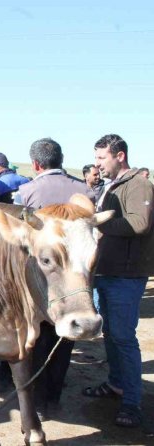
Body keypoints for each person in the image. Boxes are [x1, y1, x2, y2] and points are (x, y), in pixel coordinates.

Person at [13, 137, 93, 419]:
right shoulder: (84, 190)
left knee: (35, 337)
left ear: (35, 164)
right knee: (65, 340)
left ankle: (33, 400)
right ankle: (53, 397)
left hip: (41, 279)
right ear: (62, 159)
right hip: (75, 281)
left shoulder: (26, 191)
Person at [82, 134, 154, 428]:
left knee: (124, 338)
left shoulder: (139, 184)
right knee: (110, 334)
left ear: (120, 155)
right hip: (106, 272)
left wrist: (98, 224)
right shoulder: (109, 186)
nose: (97, 164)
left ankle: (132, 402)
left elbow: (140, 223)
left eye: (102, 158)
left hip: (125, 275)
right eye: (96, 158)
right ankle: (116, 384)